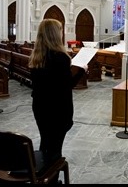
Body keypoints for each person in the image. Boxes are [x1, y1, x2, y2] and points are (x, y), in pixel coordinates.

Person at [28, 19, 88, 182]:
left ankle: (42, 177)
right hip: (57, 110)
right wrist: (81, 71)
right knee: (55, 149)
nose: (62, 33)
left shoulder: (36, 57)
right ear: (55, 34)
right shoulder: (60, 57)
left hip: (40, 107)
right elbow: (66, 86)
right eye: (60, 30)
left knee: (46, 142)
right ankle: (51, 179)